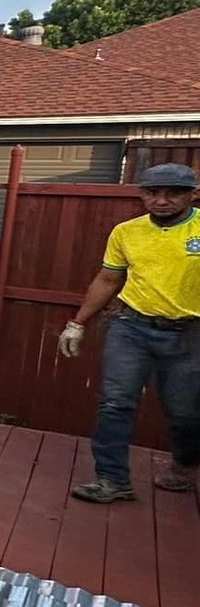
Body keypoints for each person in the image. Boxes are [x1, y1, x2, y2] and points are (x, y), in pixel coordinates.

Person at [59, 162, 200, 502]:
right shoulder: (127, 232)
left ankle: (184, 464)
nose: (162, 201)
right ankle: (112, 480)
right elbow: (108, 279)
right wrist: (77, 324)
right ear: (142, 195)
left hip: (190, 332)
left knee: (185, 411)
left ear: (192, 195)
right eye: (153, 193)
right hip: (132, 327)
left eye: (173, 193)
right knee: (115, 403)